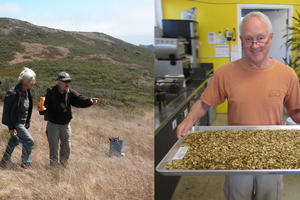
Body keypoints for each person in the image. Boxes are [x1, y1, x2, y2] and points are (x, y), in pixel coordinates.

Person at [176, 11, 300, 200]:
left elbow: (295, 111)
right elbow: (204, 103)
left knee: (270, 196)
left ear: (271, 38)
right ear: (241, 40)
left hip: (272, 152)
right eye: (249, 39)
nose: (255, 45)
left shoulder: (287, 74)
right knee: (237, 196)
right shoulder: (226, 72)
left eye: (260, 38)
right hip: (235, 151)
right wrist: (189, 119)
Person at [44, 72, 99, 167]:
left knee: (66, 147)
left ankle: (63, 166)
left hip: (65, 124)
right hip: (53, 124)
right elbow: (45, 106)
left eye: (68, 81)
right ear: (59, 81)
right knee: (54, 147)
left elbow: (79, 99)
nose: (67, 83)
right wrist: (42, 110)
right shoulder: (51, 91)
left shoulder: (69, 92)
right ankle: (53, 168)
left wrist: (89, 101)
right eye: (65, 81)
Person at [0, 67, 36, 169]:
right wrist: (11, 127)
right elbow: (6, 112)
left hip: (22, 122)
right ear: (26, 81)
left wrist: (27, 120)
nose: (34, 82)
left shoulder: (27, 91)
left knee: (14, 141)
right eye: (32, 80)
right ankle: (26, 164)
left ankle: (4, 162)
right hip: (15, 122)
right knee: (29, 141)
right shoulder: (13, 92)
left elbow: (27, 108)